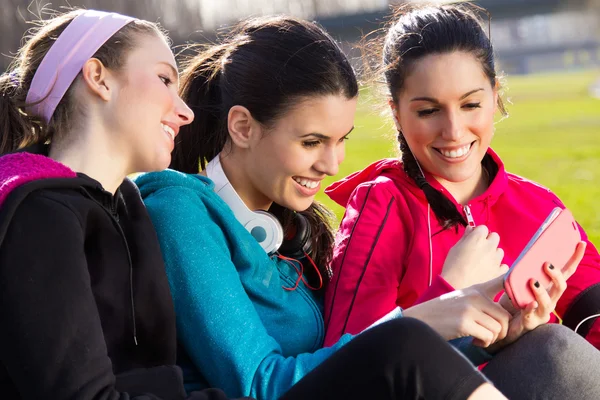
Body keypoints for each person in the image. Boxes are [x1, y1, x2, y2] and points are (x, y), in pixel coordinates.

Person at [136, 15, 597, 400]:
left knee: (548, 349)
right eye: (312, 141)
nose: (334, 164)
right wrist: (425, 315)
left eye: (340, 142)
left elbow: (348, 372)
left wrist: (496, 339)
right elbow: (262, 384)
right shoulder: (182, 210)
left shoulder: (290, 232)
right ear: (242, 126)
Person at [323, 3, 600, 398]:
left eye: (470, 104)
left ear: (494, 96)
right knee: (550, 353)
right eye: (428, 110)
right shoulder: (381, 205)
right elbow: (346, 365)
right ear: (397, 114)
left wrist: (521, 333)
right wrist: (448, 294)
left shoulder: (540, 206)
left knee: (552, 347)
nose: (453, 131)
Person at [0, 8, 249, 400]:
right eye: (165, 79)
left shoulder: (127, 205)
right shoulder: (40, 213)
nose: (185, 113)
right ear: (99, 78)